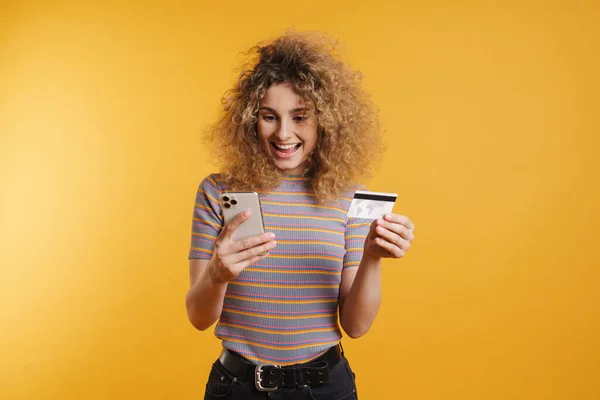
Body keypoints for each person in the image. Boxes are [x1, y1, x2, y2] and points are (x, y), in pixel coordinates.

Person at [186, 31, 415, 400]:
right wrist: (217, 273)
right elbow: (199, 318)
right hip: (238, 387)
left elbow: (356, 326)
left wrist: (373, 256)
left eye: (300, 116)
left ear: (325, 120)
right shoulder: (219, 192)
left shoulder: (350, 198)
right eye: (268, 116)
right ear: (249, 120)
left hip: (324, 388)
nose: (284, 133)